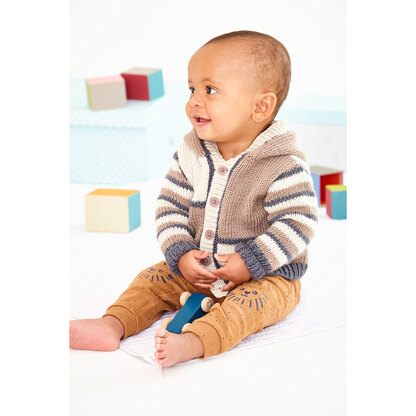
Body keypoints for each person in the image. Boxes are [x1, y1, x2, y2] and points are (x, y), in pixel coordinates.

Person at [70, 30, 318, 367]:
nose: (194, 102)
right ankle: (112, 324)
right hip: (200, 270)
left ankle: (194, 341)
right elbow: (170, 207)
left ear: (261, 107)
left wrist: (249, 262)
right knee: (150, 281)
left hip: (267, 276)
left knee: (247, 308)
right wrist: (182, 253)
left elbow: (297, 223)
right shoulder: (191, 153)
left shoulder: (281, 163)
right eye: (192, 89)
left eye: (210, 90)